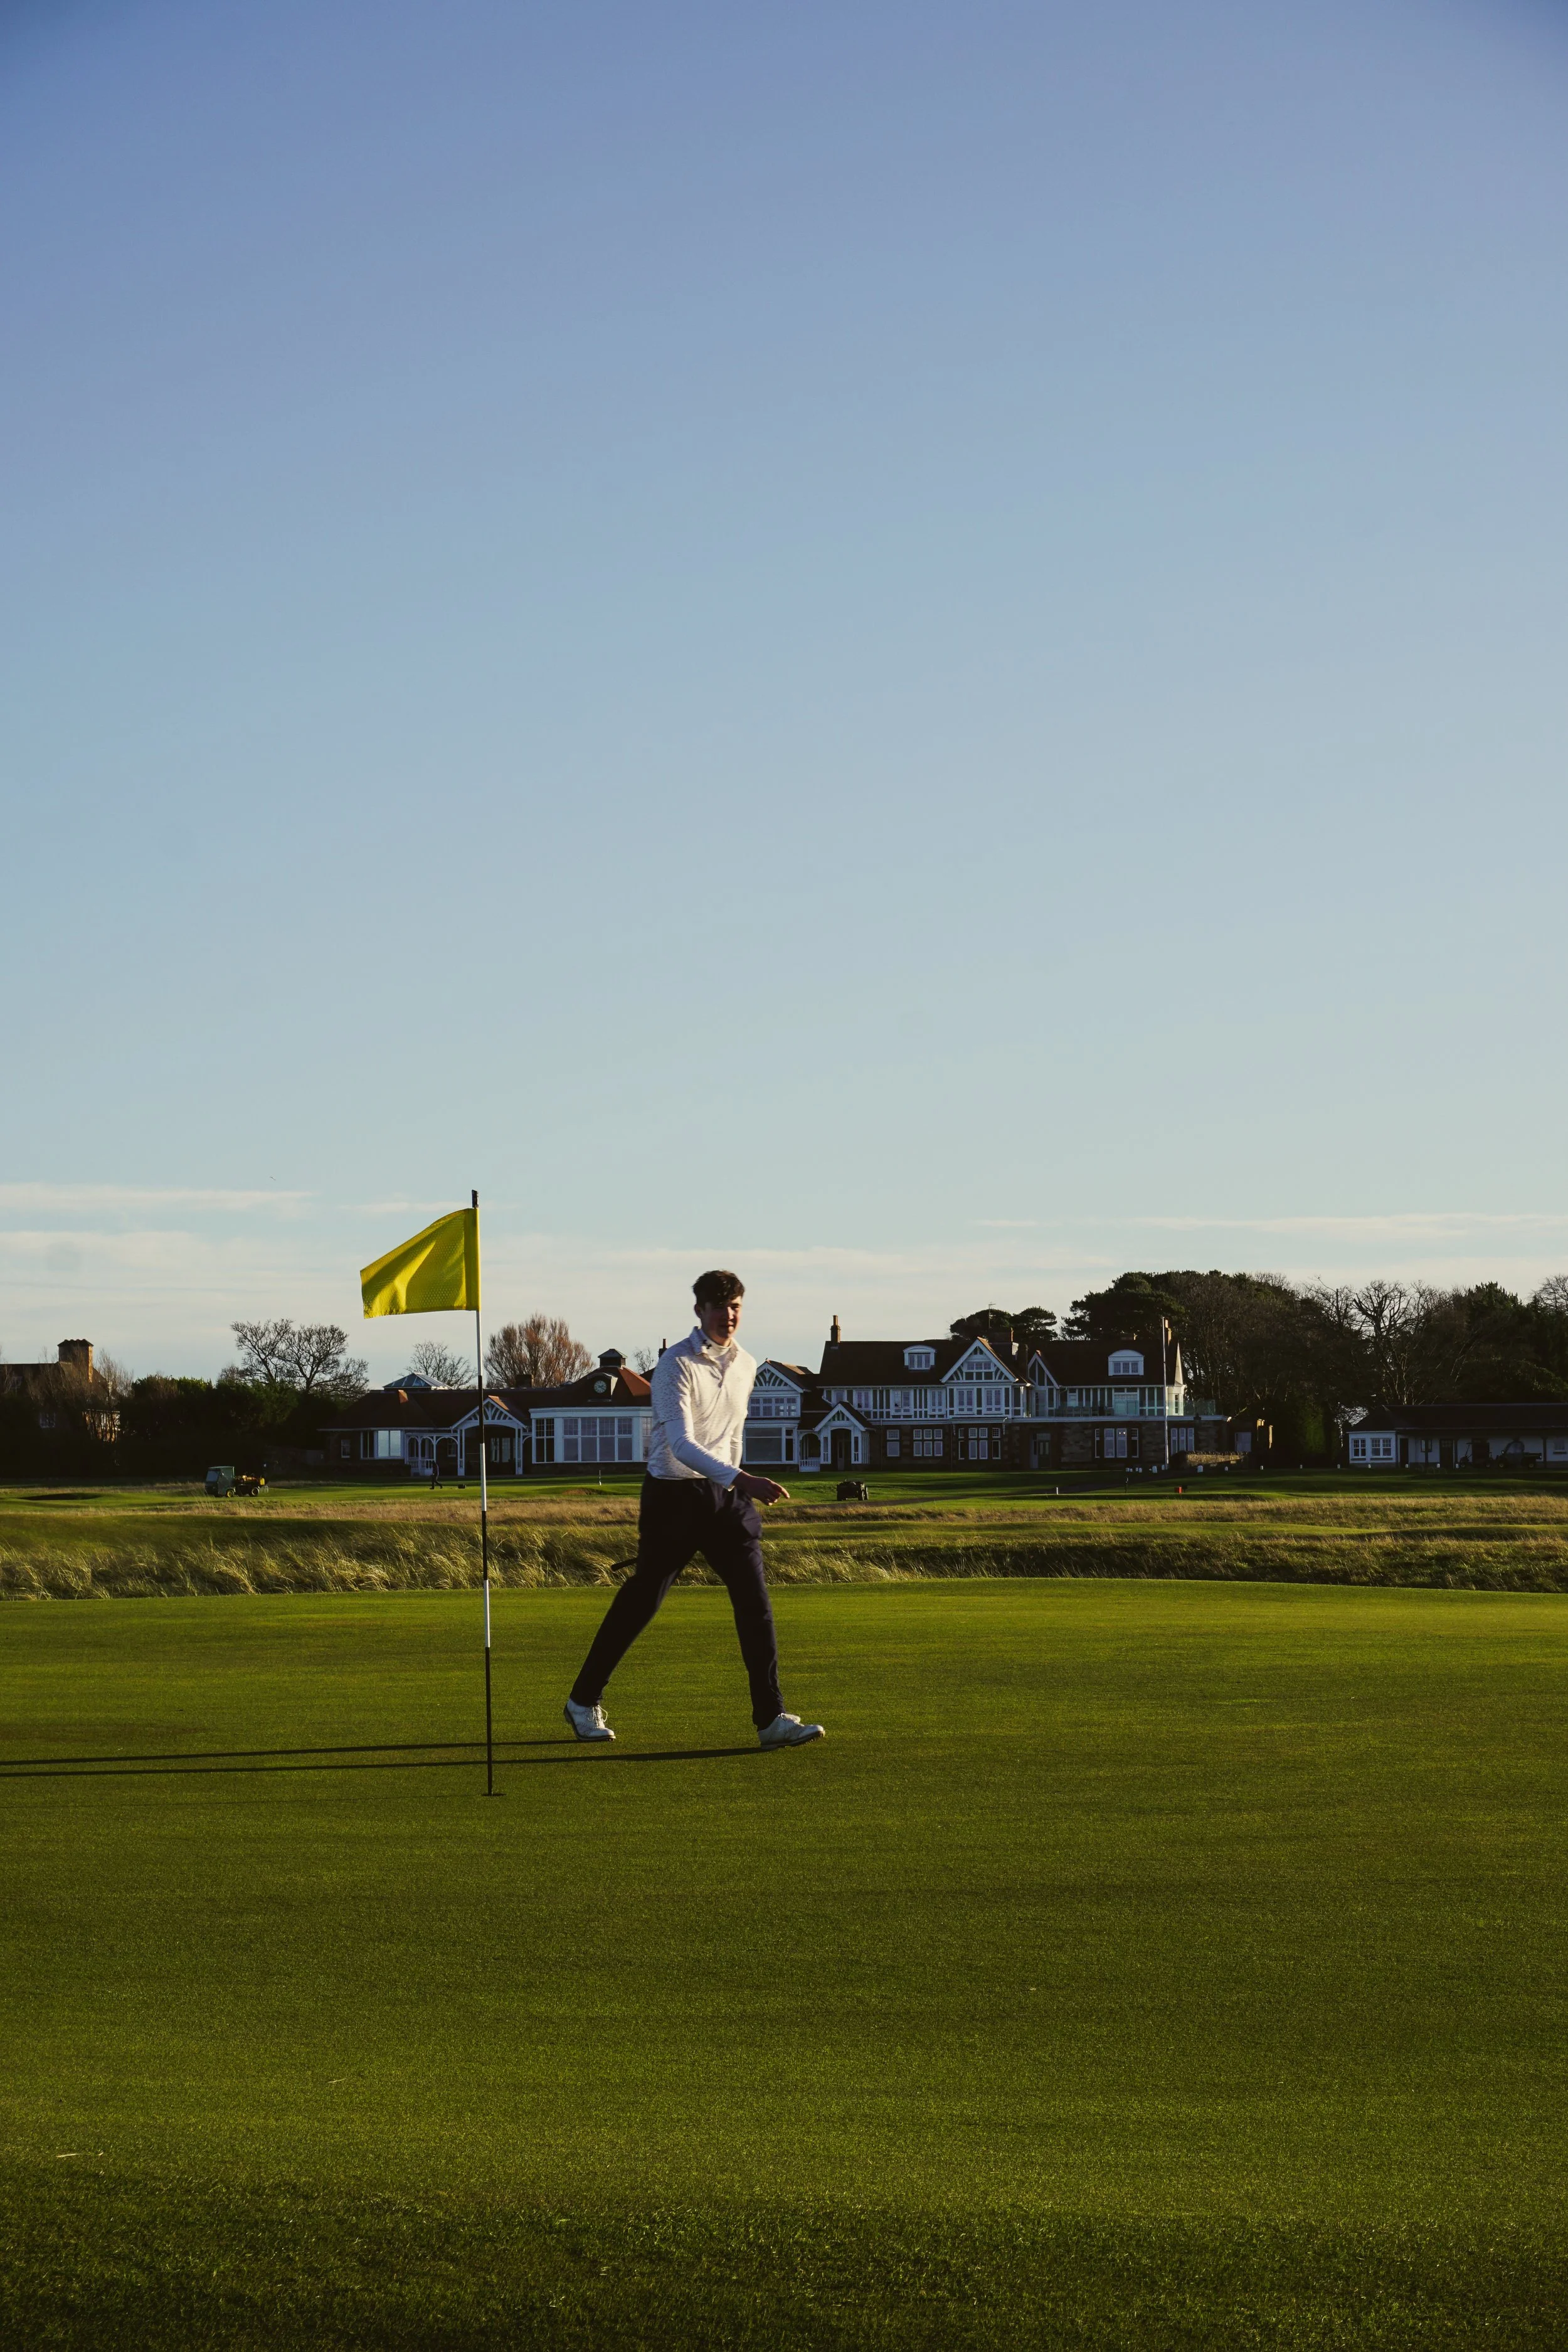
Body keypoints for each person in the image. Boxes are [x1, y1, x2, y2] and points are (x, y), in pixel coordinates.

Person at [564, 1269, 824, 1750]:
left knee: (755, 1605)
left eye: (737, 1307)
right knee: (644, 1601)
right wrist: (742, 1479)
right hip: (672, 1497)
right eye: (720, 1307)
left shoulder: (746, 1365)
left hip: (727, 1499)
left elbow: (733, 1435)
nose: (729, 1316)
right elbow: (681, 1444)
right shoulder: (675, 1366)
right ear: (700, 1310)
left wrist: (736, 1484)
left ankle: (770, 1719)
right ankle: (582, 1702)